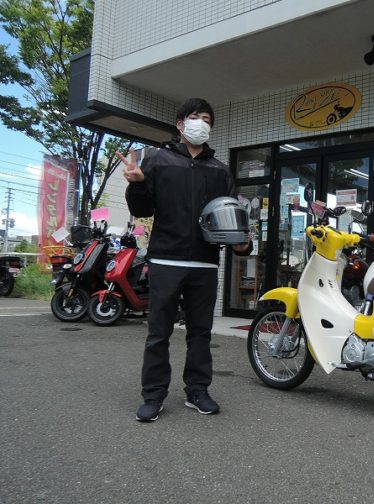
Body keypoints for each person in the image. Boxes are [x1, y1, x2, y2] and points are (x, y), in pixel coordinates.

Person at [117, 98, 252, 422]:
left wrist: (241, 245)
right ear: (180, 124)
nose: (200, 124)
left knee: (200, 333)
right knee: (158, 333)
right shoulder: (157, 160)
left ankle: (197, 391)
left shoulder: (219, 170)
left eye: (207, 119)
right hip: (166, 258)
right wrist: (136, 183)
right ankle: (153, 395)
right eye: (195, 117)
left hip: (205, 263)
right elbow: (142, 210)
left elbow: (230, 214)